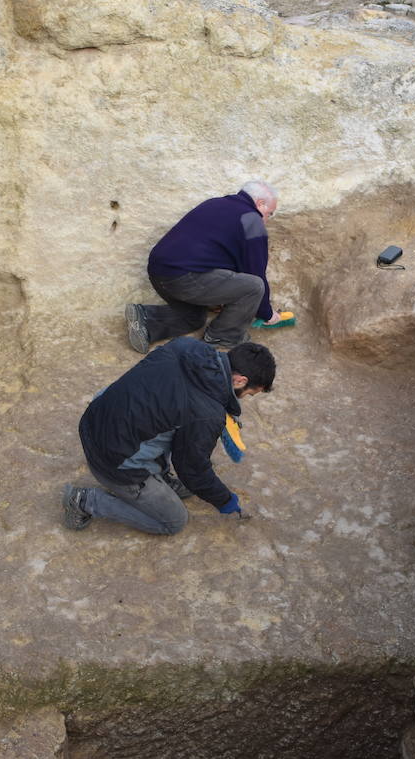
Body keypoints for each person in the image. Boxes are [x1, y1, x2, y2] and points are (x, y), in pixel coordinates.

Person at [62, 338, 276, 535]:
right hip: (112, 461)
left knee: (168, 416)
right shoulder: (206, 414)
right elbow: (192, 470)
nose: (245, 399)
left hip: (93, 422)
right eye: (250, 393)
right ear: (240, 381)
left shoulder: (186, 346)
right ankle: (84, 501)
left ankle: (162, 477)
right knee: (173, 521)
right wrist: (225, 500)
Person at [125, 180, 290, 354]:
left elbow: (215, 257)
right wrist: (267, 313)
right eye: (269, 214)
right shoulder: (252, 220)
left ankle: (145, 319)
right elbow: (256, 273)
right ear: (260, 204)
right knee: (255, 287)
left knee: (195, 318)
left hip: (160, 271)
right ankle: (222, 336)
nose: (267, 220)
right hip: (184, 277)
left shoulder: (215, 203)